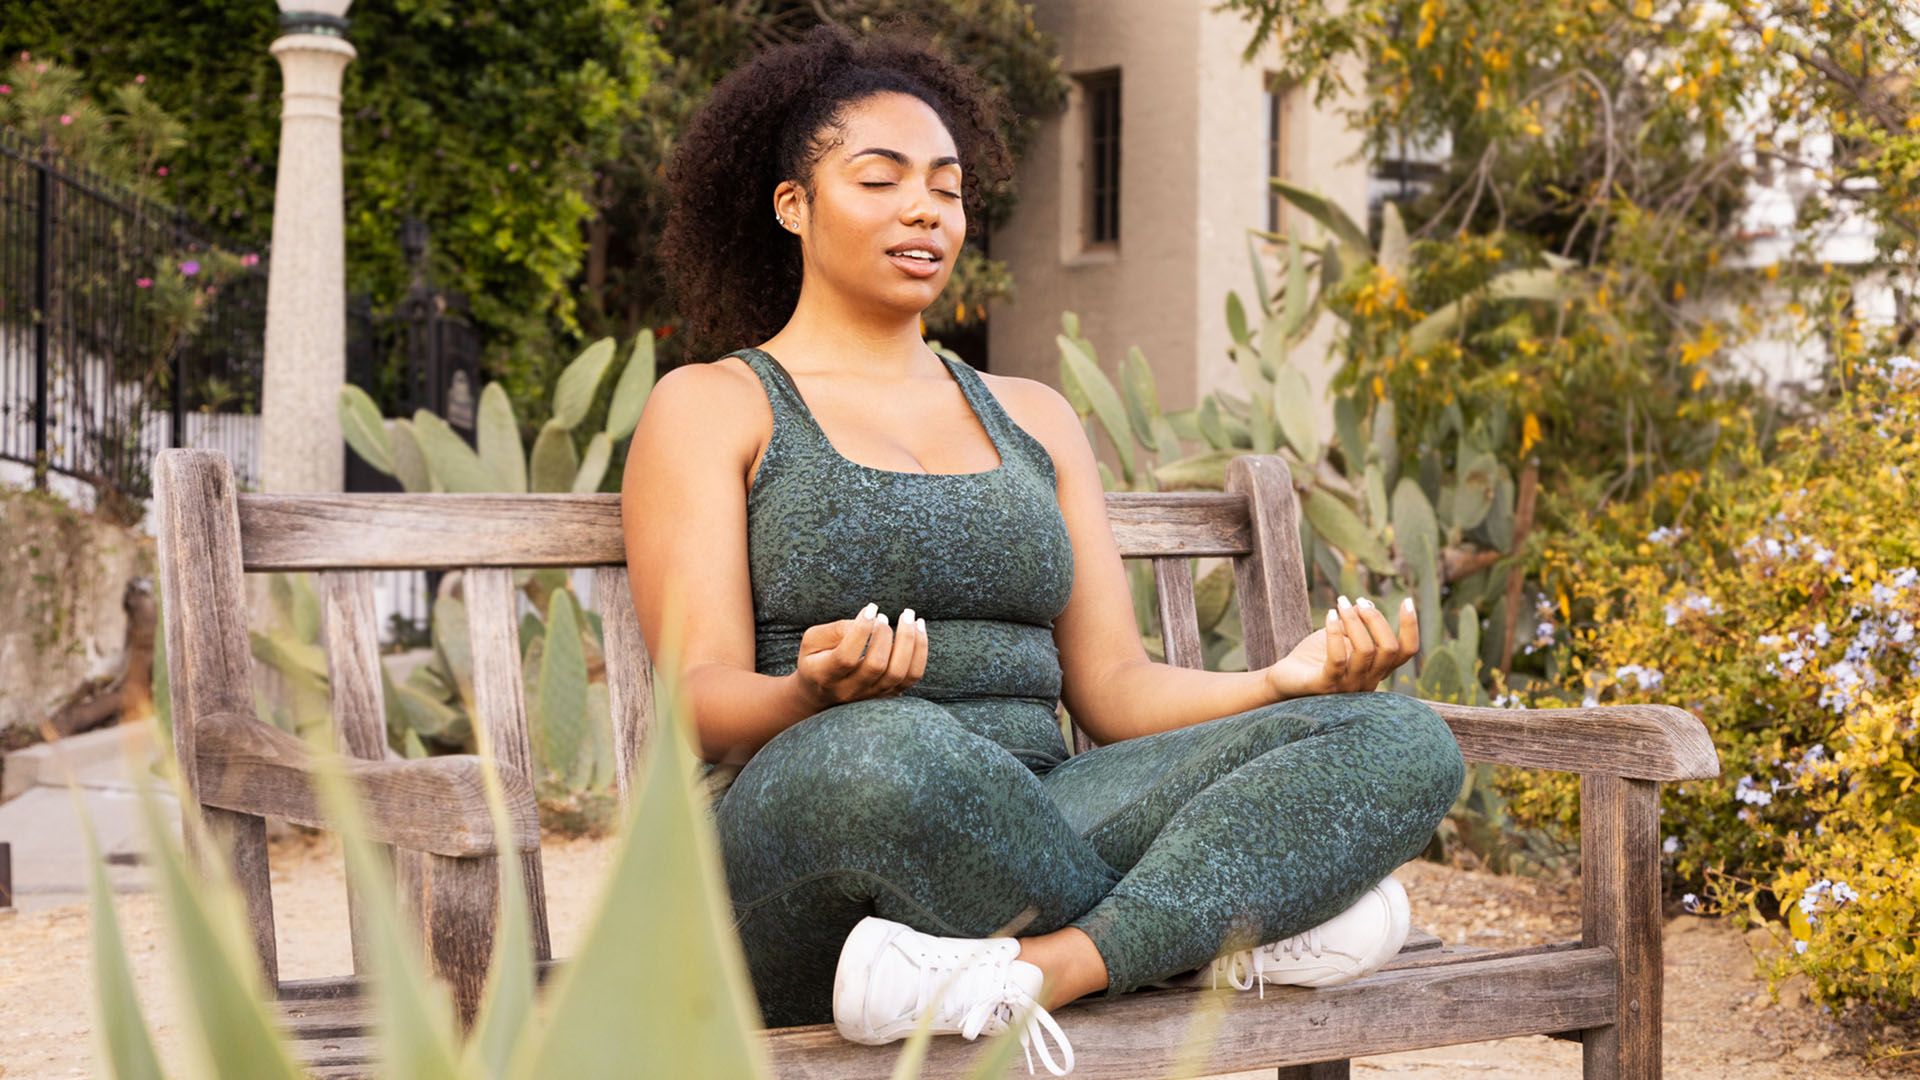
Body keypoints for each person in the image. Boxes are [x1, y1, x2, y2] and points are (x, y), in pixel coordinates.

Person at [621, 20, 1466, 1077]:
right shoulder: (714, 405)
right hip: (809, 834)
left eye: (948, 186)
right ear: (794, 204)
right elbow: (697, 699)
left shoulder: (1031, 416)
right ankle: (1205, 933)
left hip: (1037, 812)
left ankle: (1047, 969)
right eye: (880, 180)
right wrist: (811, 694)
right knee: (895, 751)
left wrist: (1279, 682)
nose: (925, 207)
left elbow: (1110, 689)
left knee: (1401, 740)